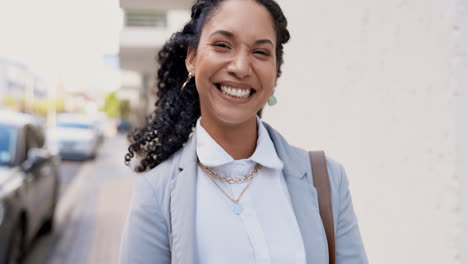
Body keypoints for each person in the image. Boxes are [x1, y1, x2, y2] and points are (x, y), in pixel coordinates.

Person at [120, 0, 368, 263]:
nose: (240, 67)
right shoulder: (156, 192)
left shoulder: (327, 180)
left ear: (275, 73)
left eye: (260, 52)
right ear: (191, 58)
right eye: (222, 45)